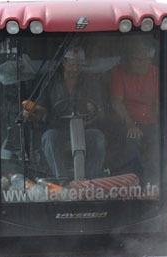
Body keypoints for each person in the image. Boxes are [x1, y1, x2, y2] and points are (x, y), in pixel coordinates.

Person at [23, 46, 106, 180]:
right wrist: (32, 113)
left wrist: (94, 109)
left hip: (84, 129)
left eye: (78, 65)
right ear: (64, 62)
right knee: (49, 138)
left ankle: (91, 180)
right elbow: (41, 109)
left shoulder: (90, 82)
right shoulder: (51, 80)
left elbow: (101, 113)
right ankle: (62, 180)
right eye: (72, 64)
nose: (75, 68)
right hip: (58, 128)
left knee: (98, 138)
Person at [110, 39, 160, 185]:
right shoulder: (118, 72)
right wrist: (130, 125)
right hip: (126, 123)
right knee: (131, 144)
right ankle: (132, 185)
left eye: (144, 59)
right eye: (136, 59)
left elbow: (158, 103)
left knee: (158, 144)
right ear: (129, 59)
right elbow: (116, 101)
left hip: (152, 123)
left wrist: (159, 123)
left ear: (149, 58)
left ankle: (154, 185)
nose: (140, 63)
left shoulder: (156, 74)